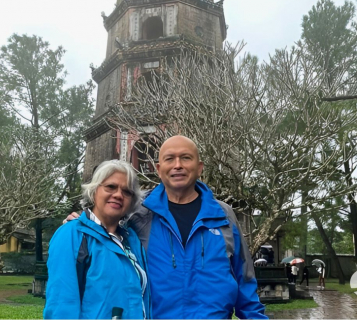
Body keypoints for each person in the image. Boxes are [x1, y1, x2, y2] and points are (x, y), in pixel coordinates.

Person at [66, 135, 266, 319]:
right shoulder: (138, 213)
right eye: (170, 159)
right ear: (159, 168)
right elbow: (103, 230)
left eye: (186, 158)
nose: (177, 165)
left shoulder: (223, 215)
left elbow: (245, 282)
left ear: (199, 167)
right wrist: (77, 224)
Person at [44, 160, 150, 319]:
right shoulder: (72, 234)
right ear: (94, 191)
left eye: (127, 191)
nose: (118, 195)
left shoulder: (131, 240)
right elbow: (61, 304)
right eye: (110, 187)